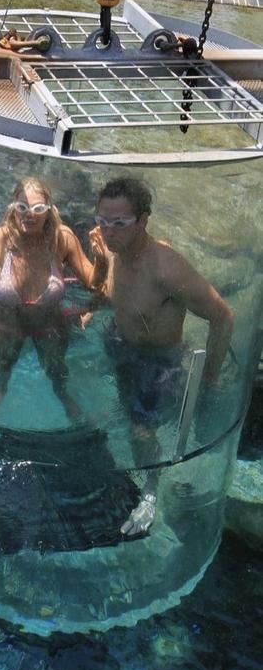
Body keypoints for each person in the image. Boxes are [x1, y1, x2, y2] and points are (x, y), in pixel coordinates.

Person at [89, 176, 234, 537]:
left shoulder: (167, 269)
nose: (107, 232)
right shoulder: (112, 247)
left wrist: (209, 380)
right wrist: (94, 300)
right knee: (122, 414)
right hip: (122, 343)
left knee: (141, 432)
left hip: (159, 360)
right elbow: (110, 287)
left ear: (143, 220)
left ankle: (150, 493)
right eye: (102, 221)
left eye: (119, 223)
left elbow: (222, 317)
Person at [0, 176, 105, 420]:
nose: (30, 214)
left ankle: (64, 397)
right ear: (13, 208)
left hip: (49, 325)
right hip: (5, 325)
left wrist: (102, 261)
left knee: (58, 373)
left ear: (49, 211)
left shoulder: (62, 239)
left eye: (38, 209)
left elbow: (93, 283)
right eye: (23, 208)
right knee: (0, 371)